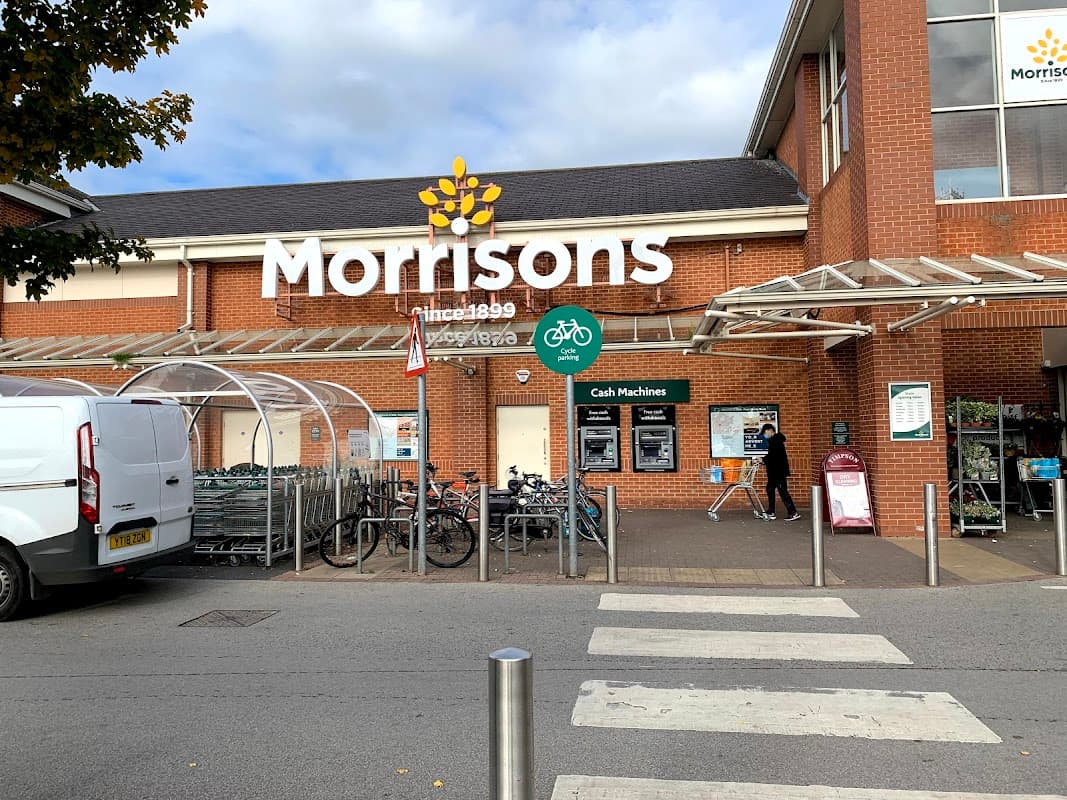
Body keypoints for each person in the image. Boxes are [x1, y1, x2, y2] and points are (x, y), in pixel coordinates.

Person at [760, 423, 800, 521]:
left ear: (770, 430)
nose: (765, 435)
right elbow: (772, 456)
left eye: (765, 432)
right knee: (770, 489)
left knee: (783, 491)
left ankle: (793, 512)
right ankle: (771, 511)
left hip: (778, 472)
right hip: (774, 471)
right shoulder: (774, 441)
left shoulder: (776, 441)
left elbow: (774, 456)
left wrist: (763, 460)